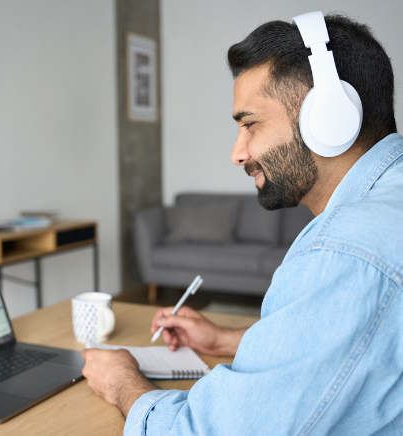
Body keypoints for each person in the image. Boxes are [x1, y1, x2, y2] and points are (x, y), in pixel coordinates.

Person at [82, 13, 403, 435]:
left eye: (250, 124)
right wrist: (225, 340)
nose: (238, 152)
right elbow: (360, 345)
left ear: (328, 118)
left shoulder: (346, 250)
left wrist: (121, 378)